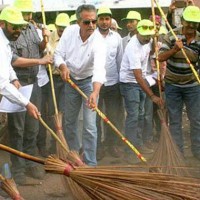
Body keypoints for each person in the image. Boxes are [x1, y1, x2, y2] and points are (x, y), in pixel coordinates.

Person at [54, 4, 106, 166]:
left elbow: (99, 69)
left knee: (90, 125)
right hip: (70, 81)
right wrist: (62, 67)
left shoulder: (99, 41)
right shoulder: (69, 32)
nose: (91, 25)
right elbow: (58, 54)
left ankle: (90, 163)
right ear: (78, 22)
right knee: (70, 121)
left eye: (93, 21)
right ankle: (74, 156)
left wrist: (95, 92)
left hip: (89, 82)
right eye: (86, 22)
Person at [7, 0, 52, 185]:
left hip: (34, 84)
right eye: (26, 14)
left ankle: (30, 163)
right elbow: (13, 60)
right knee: (17, 129)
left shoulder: (32, 27)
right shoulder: (10, 33)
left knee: (33, 125)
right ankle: (18, 169)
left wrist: (45, 39)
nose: (29, 17)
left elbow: (39, 49)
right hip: (17, 84)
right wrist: (40, 62)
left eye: (30, 13)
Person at [158, 5, 200, 160]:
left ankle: (197, 151)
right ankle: (179, 153)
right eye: (188, 22)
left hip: (193, 86)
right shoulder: (171, 36)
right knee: (175, 121)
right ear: (182, 21)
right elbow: (160, 58)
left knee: (196, 120)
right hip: (173, 86)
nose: (191, 26)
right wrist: (175, 49)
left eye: (195, 23)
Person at [120, 19, 164, 164]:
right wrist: (152, 95)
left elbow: (150, 51)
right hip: (130, 83)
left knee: (142, 115)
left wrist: (154, 39)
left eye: (149, 36)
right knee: (133, 116)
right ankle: (129, 151)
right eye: (145, 35)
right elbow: (137, 75)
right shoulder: (132, 46)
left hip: (142, 80)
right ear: (137, 31)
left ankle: (138, 144)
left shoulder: (147, 41)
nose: (147, 38)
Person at [37, 12, 70, 155]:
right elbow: (46, 55)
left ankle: (66, 144)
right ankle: (53, 143)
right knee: (52, 111)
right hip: (53, 79)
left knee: (66, 111)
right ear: (56, 26)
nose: (63, 31)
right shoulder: (48, 38)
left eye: (65, 28)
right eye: (60, 28)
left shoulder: (71, 37)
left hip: (68, 79)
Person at [0, 6, 39, 120]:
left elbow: (6, 63)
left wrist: (14, 78)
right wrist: (27, 104)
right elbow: (2, 84)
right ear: (2, 24)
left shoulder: (5, 41)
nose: (18, 31)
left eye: (21, 27)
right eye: (15, 27)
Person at [95, 7, 124, 160]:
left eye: (107, 19)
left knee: (113, 115)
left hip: (113, 82)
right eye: (102, 19)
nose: (105, 22)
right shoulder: (92, 36)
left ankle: (111, 144)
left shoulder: (117, 38)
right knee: (95, 117)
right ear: (97, 20)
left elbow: (120, 60)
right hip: (95, 84)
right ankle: (98, 146)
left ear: (111, 20)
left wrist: (120, 82)